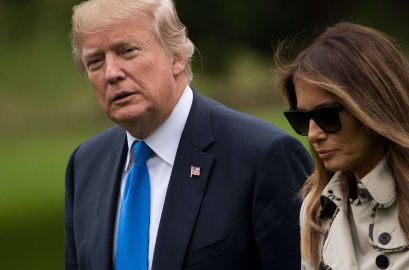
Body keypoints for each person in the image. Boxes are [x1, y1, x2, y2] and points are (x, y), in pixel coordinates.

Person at [65, 0, 312, 269]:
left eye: (127, 51)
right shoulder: (85, 165)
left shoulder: (262, 157)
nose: (111, 73)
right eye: (95, 61)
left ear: (177, 56)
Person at [276, 22, 409, 270]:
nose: (312, 134)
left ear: (374, 108)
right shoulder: (316, 209)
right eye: (301, 119)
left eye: (327, 116)